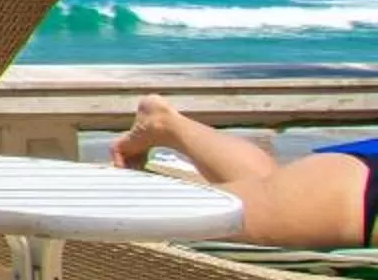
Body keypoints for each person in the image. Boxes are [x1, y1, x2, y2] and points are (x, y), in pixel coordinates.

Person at [110, 93, 378, 250]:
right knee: (125, 209)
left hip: (343, 191)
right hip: (350, 202)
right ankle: (164, 124)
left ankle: (166, 124)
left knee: (263, 185)